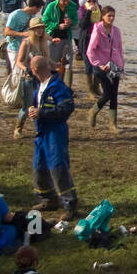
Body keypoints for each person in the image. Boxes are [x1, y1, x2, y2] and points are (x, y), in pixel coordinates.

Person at [28, 54, 78, 218]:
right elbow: (38, 106)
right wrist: (33, 110)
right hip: (41, 133)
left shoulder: (58, 87)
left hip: (55, 133)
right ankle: (48, 199)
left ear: (35, 70)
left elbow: (67, 108)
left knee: (58, 168)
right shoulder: (39, 87)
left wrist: (42, 113)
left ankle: (70, 205)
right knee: (39, 166)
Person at [85, 4, 125, 131]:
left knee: (114, 95)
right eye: (109, 16)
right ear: (103, 17)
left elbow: (119, 49)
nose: (111, 18)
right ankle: (93, 111)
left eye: (113, 16)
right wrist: (99, 64)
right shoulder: (97, 30)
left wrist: (121, 65)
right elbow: (90, 50)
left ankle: (113, 124)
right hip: (100, 66)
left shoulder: (116, 31)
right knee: (107, 94)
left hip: (115, 66)